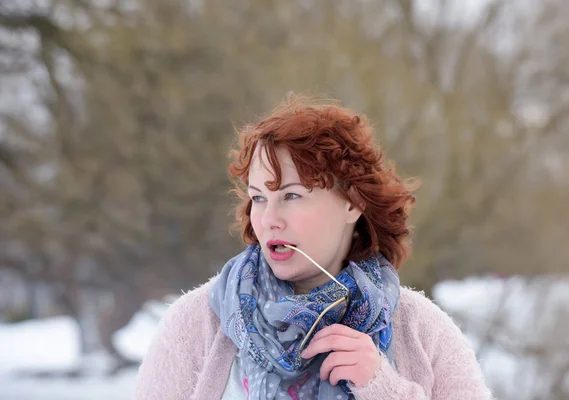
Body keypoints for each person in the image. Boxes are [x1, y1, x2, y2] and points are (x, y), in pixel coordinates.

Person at [134, 95, 492, 400]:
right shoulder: (196, 323)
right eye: (259, 198)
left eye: (291, 195)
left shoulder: (420, 329)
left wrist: (382, 386)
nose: (269, 219)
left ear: (352, 202)